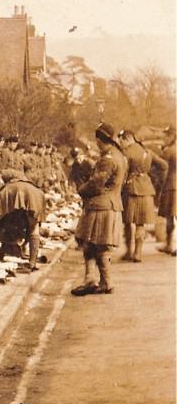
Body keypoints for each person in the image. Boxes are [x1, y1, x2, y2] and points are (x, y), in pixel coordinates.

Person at [72, 123, 128, 295]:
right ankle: (99, 281)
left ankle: (98, 281)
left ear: (99, 139)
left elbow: (97, 183)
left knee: (94, 244)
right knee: (98, 245)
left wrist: (81, 190)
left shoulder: (108, 159)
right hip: (111, 204)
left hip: (100, 207)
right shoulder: (120, 156)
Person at [117, 130, 164, 262]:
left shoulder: (125, 153)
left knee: (127, 222)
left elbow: (123, 173)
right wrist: (155, 179)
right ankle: (138, 254)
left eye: (121, 141)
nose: (121, 144)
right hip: (147, 190)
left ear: (128, 138)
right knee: (140, 224)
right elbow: (164, 166)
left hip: (130, 190)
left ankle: (128, 252)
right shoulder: (147, 152)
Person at [0, 169, 44, 268]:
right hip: (36, 194)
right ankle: (32, 262)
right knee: (34, 228)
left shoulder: (7, 186)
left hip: (12, 191)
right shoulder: (31, 185)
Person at [158, 126, 176, 255]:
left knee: (171, 216)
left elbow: (161, 169)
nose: (164, 138)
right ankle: (169, 245)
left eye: (166, 136)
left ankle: (170, 245)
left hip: (171, 186)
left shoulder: (169, 151)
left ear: (172, 137)